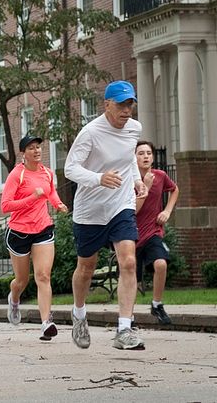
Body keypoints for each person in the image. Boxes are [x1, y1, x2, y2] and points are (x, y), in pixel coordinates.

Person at [64, 80, 148, 350]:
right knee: (86, 269)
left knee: (129, 262)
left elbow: (128, 160)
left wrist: (136, 180)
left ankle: (124, 329)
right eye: (121, 104)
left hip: (120, 206)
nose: (127, 110)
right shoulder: (90, 133)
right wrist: (99, 178)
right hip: (90, 211)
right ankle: (79, 315)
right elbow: (70, 169)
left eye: (130, 104)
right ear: (107, 105)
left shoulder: (134, 129)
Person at [1, 134, 69, 341]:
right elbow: (5, 206)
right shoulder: (17, 175)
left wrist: (58, 204)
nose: (36, 151)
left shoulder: (47, 173)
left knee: (43, 276)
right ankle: (14, 300)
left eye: (38, 147)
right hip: (19, 232)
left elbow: (51, 194)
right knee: (22, 281)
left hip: (43, 229)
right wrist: (32, 197)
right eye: (31, 148)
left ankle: (46, 322)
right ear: (24, 153)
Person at [135, 140, 179, 325]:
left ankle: (157, 304)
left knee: (161, 264)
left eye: (148, 153)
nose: (145, 156)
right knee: (132, 283)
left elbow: (175, 190)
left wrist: (167, 211)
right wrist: (144, 186)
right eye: (141, 153)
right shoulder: (130, 178)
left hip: (153, 232)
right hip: (131, 236)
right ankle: (127, 319)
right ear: (134, 158)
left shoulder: (160, 176)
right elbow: (133, 211)